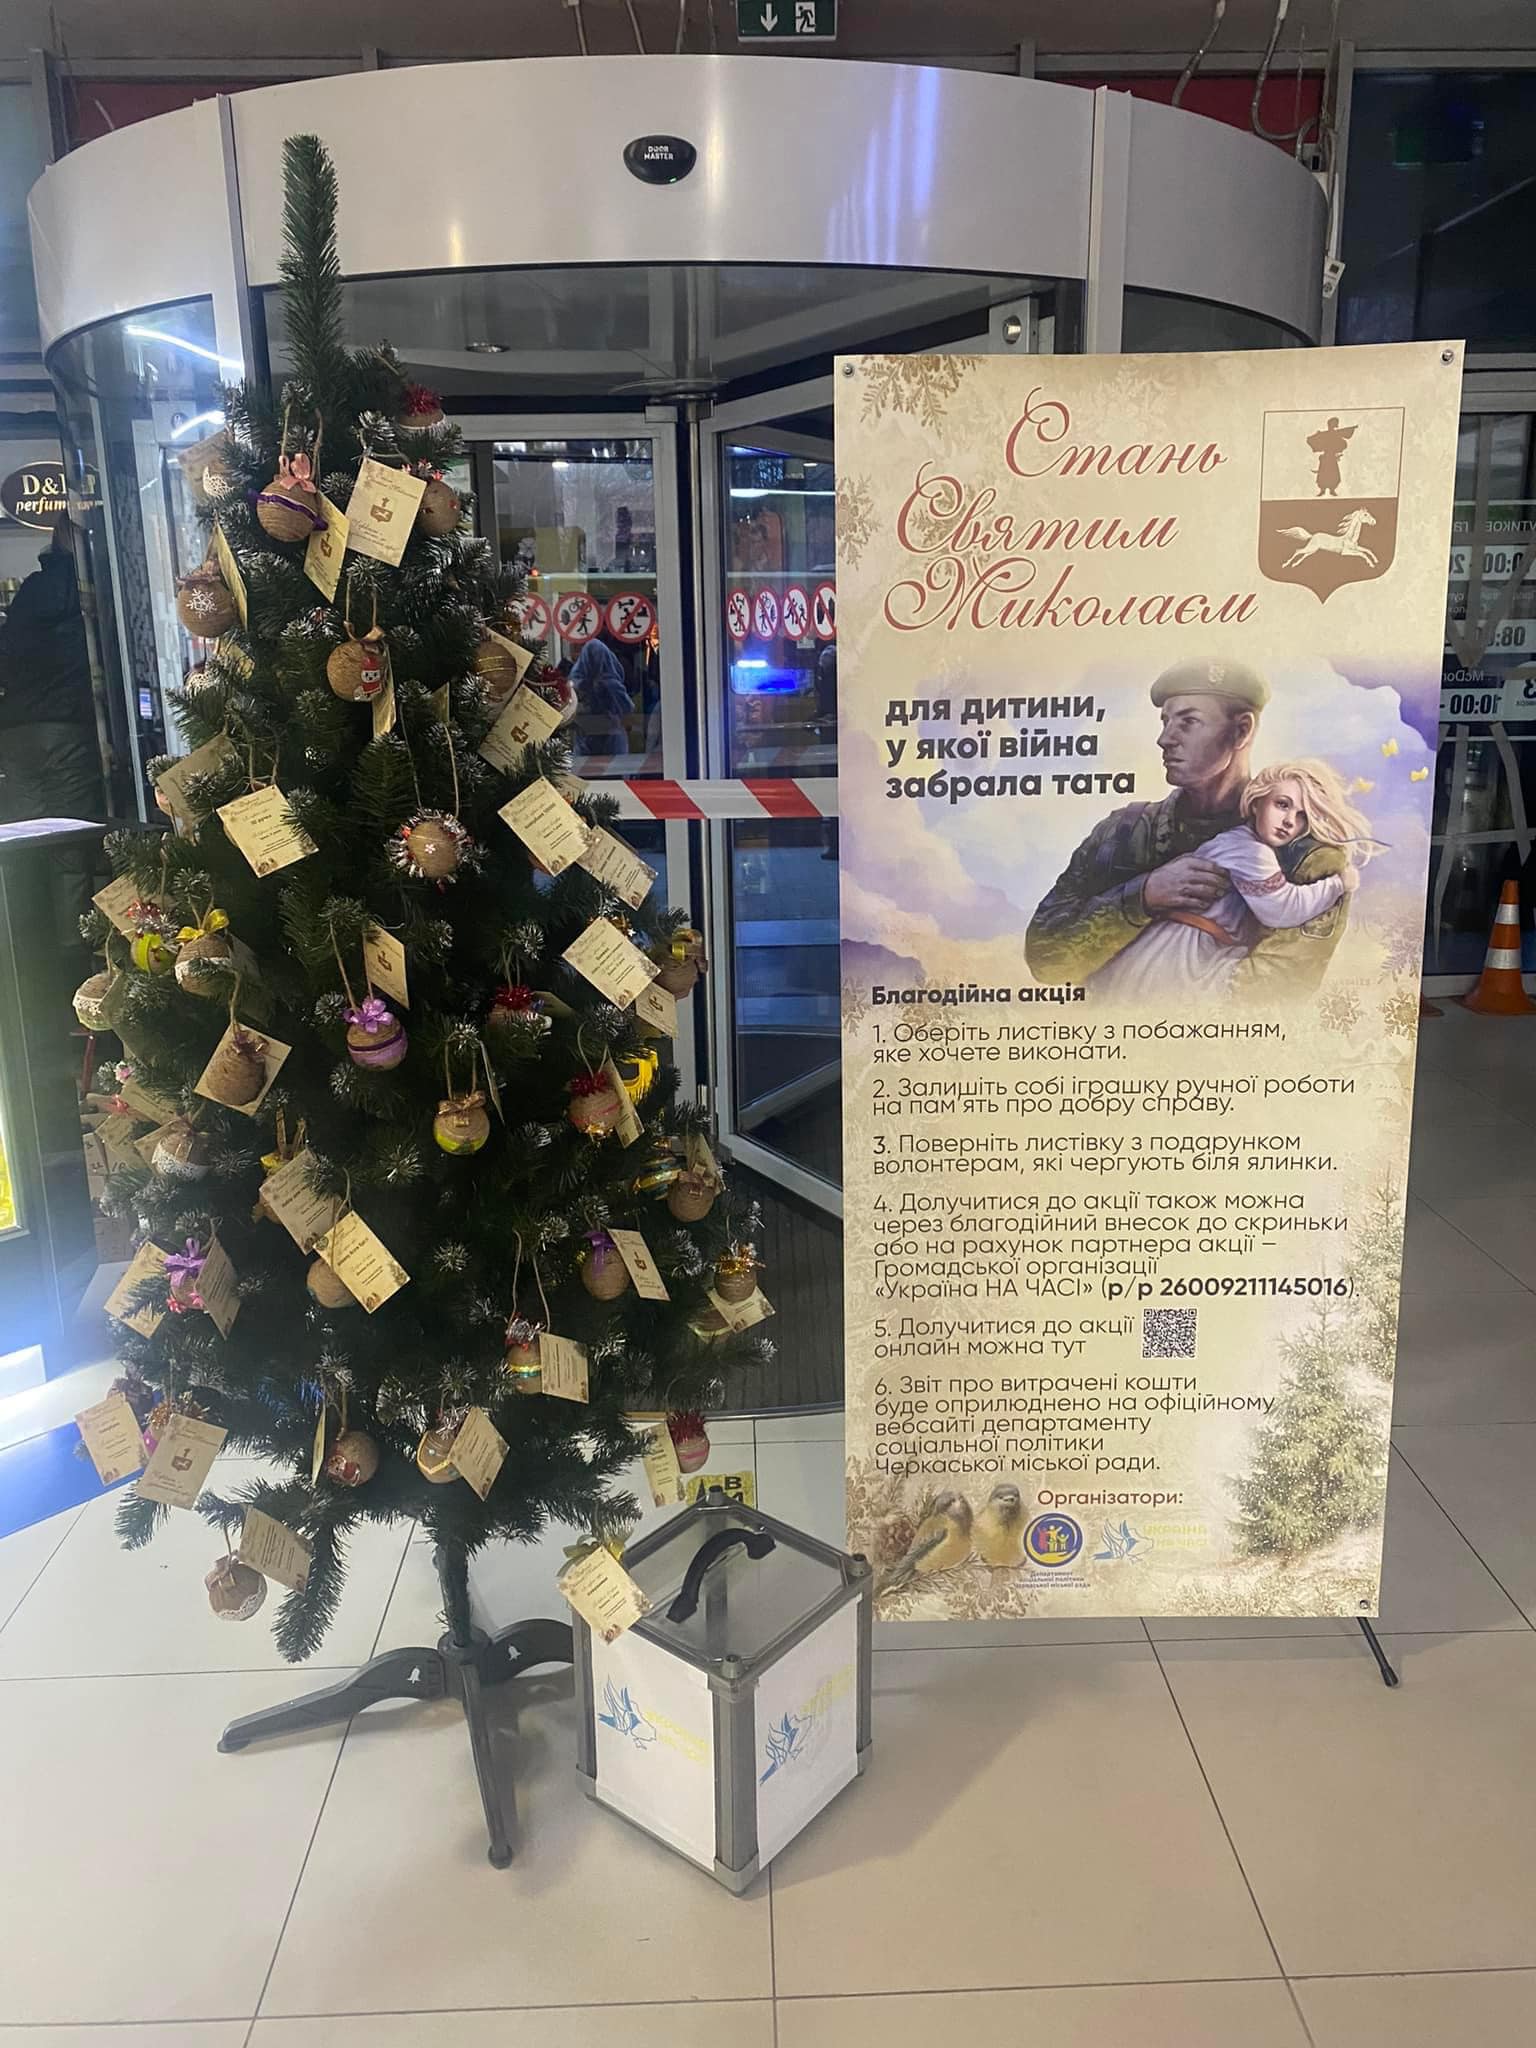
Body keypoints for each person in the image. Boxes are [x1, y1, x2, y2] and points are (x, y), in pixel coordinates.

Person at [1025, 656, 1351, 998]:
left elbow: (1277, 993)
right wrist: (1143, 896)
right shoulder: (1123, 833)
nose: (1165, 739)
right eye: (1165, 721)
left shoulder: (1307, 856)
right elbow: (1047, 961)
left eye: (1189, 721)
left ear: (1241, 730)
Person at [1086, 761, 1368, 1001]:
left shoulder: (1241, 842)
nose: (1289, 821)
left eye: (1302, 816)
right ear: (1257, 802)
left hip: (1183, 949)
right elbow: (1282, 908)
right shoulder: (1249, 851)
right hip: (1180, 957)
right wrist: (1337, 885)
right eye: (1282, 805)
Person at [0, 514, 105, 824]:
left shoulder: (32, 589)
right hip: (67, 726)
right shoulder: (93, 589)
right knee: (72, 830)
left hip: (17, 728)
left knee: (27, 833)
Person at [566, 632, 633, 759]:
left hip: (587, 731)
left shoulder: (577, 682)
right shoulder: (610, 682)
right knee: (617, 766)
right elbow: (627, 711)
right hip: (610, 731)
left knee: (583, 766)